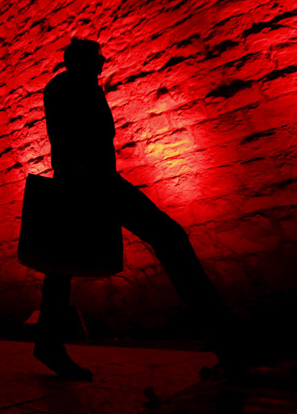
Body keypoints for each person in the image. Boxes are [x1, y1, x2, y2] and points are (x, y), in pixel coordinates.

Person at [34, 38, 233, 380]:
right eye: (97, 58)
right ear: (82, 61)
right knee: (169, 237)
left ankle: (48, 343)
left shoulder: (74, 86)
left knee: (61, 263)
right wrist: (83, 176)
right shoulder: (68, 87)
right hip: (92, 183)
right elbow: (72, 141)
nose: (103, 62)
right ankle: (229, 343)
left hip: (89, 182)